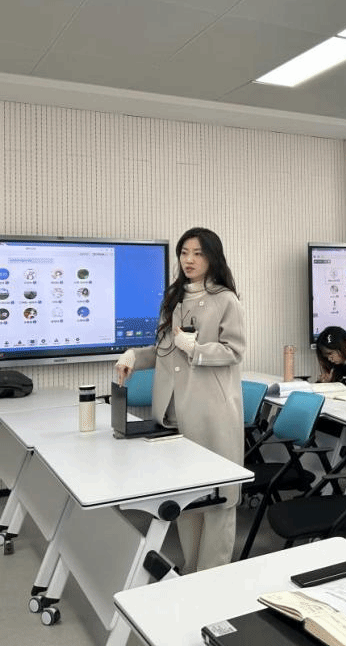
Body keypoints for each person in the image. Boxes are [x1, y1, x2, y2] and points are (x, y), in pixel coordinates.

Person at [115, 228, 244, 573]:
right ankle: (191, 570)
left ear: (212, 257)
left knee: (218, 499)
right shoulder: (174, 298)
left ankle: (213, 575)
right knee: (187, 498)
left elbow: (234, 351)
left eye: (197, 253)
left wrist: (196, 349)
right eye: (184, 252)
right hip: (174, 415)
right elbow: (164, 350)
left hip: (211, 414)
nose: (189, 260)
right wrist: (133, 356)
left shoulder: (226, 300)